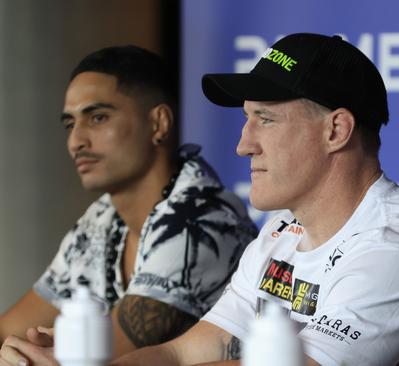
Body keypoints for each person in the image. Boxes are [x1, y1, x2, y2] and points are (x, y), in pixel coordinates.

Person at [112, 33, 399, 366]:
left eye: (265, 119)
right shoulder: (280, 232)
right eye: (246, 119)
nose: (243, 145)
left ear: (336, 131)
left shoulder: (396, 248)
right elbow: (181, 353)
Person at [0, 46, 258, 364]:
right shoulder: (102, 218)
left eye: (97, 117)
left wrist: (32, 352)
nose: (76, 141)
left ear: (158, 123)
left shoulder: (200, 217)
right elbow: (9, 331)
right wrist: (18, 349)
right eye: (70, 124)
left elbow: (103, 356)